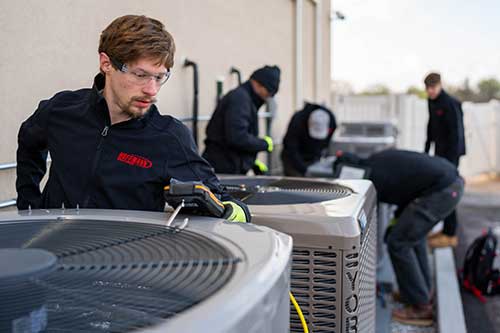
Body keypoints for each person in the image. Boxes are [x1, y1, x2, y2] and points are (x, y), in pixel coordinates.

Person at [16, 15, 249, 222]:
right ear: (106, 64)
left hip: (126, 265)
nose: (152, 90)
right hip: (54, 253)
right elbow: (28, 142)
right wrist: (29, 208)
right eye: (141, 75)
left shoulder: (169, 137)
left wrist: (228, 210)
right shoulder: (61, 110)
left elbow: (224, 202)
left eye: (160, 77)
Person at [334, 149, 464, 326]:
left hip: (442, 191)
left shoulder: (375, 178)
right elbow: (406, 193)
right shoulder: (377, 160)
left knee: (399, 242)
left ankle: (421, 307)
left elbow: (367, 217)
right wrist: (394, 226)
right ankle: (420, 292)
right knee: (412, 238)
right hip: (447, 184)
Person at [202, 65, 281, 175]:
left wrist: (251, 161)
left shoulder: (245, 98)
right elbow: (237, 137)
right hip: (223, 169)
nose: (268, 97)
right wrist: (264, 144)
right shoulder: (240, 100)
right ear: (258, 84)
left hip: (227, 165)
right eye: (269, 92)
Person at [424, 72, 466, 248]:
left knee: (449, 190)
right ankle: (446, 229)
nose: (430, 91)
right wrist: (426, 151)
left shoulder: (450, 103)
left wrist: (451, 163)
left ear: (440, 85)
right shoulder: (432, 102)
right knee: (441, 190)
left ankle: (451, 234)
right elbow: (431, 127)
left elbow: (456, 134)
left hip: (451, 155)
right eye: (427, 88)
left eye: (433, 88)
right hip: (440, 153)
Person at [281, 102, 336, 176]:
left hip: (312, 157)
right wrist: (304, 169)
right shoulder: (297, 120)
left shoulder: (331, 121)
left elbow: (326, 142)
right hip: (293, 157)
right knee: (296, 180)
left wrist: (319, 156)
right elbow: (291, 148)